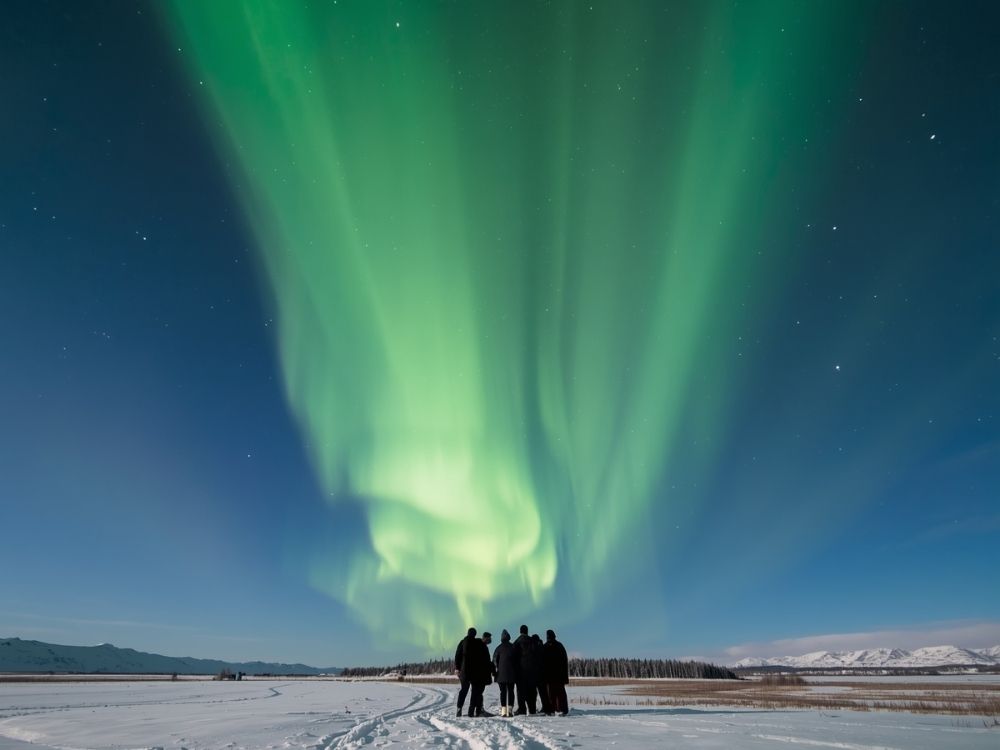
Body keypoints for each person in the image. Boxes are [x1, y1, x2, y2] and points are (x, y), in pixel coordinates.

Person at [511, 624, 538, 714]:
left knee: (521, 691)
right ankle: (532, 709)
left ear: (520, 631)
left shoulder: (517, 642)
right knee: (532, 691)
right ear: (527, 631)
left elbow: (513, 657)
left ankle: (522, 709)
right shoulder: (532, 641)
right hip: (532, 671)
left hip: (521, 671)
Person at [543, 629, 570, 715]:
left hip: (549, 675)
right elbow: (564, 661)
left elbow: (542, 662)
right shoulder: (559, 646)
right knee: (561, 693)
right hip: (559, 675)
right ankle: (563, 709)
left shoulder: (545, 647)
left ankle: (552, 710)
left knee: (551, 694)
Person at [454, 627, 478, 717]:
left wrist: (457, 668)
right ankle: (471, 711)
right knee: (474, 690)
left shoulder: (462, 642)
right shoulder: (476, 643)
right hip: (474, 671)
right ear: (475, 634)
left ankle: (459, 708)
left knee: (464, 689)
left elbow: (457, 655)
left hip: (464, 671)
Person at [469, 632, 494, 717]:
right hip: (479, 675)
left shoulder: (478, 646)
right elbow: (485, 662)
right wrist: (492, 669)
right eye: (489, 638)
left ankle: (474, 711)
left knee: (476, 693)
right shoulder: (481, 647)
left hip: (476, 675)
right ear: (485, 638)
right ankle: (477, 711)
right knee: (478, 693)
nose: (490, 640)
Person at [492, 629, 516, 717]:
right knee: (511, 691)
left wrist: (496, 670)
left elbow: (494, 661)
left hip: (501, 674)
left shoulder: (498, 648)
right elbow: (517, 660)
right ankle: (510, 711)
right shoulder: (513, 647)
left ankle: (503, 711)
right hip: (512, 674)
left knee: (503, 692)